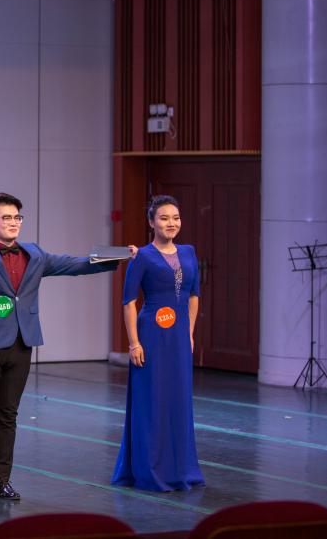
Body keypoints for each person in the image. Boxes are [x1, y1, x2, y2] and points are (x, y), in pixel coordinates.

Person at [0, 192, 129, 502]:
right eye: (6, 217)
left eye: (17, 217)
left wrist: (116, 256)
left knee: (9, 414)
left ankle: (2, 480)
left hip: (23, 341)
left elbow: (74, 264)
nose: (13, 222)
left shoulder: (35, 254)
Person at [111, 195, 204, 492]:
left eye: (175, 217)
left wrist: (189, 333)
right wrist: (134, 343)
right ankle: (149, 469)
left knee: (178, 400)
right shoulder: (142, 257)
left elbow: (193, 296)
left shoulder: (189, 252)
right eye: (164, 218)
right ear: (151, 222)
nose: (171, 223)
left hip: (178, 337)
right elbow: (128, 302)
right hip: (151, 335)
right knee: (152, 400)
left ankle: (181, 469)